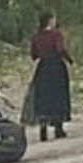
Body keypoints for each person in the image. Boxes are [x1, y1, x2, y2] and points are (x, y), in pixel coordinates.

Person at [27, 11, 74, 142]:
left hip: (43, 68)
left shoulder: (36, 37)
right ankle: (58, 128)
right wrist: (70, 60)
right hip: (56, 67)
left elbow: (34, 55)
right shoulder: (56, 34)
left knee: (44, 97)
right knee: (58, 96)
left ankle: (43, 127)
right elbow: (60, 49)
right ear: (49, 21)